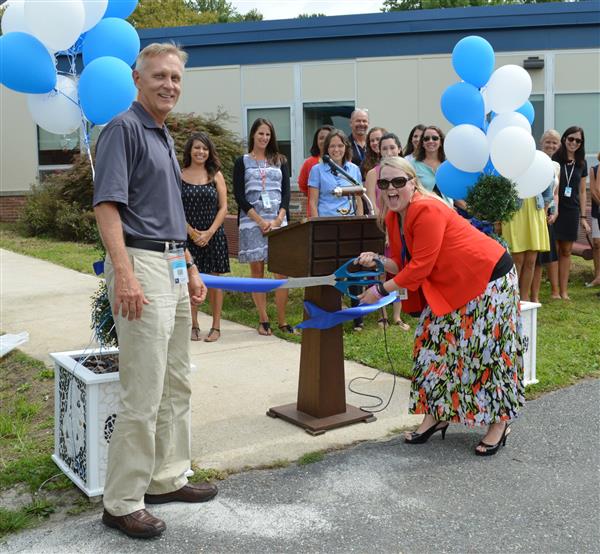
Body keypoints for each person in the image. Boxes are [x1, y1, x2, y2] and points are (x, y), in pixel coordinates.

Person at [93, 43, 217, 540]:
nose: (170, 84)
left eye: (176, 78)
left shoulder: (164, 134)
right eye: (160, 76)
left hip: (169, 262)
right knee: (143, 391)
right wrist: (122, 274)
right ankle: (121, 501)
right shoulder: (123, 129)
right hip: (139, 265)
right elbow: (107, 207)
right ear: (137, 79)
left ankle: (167, 477)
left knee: (176, 383)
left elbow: (166, 214)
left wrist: (189, 265)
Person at [357, 156, 524, 456]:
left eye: (398, 182)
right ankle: (436, 414)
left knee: (487, 352)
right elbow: (404, 264)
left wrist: (380, 289)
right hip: (452, 284)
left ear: (413, 182)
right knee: (432, 347)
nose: (391, 189)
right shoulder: (395, 216)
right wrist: (379, 259)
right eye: (384, 183)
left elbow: (419, 268)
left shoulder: (426, 208)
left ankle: (500, 423)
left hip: (488, 279)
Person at [233, 118, 294, 336]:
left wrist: (278, 219)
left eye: (268, 134)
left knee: (281, 272)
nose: (264, 138)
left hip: (278, 221)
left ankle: (282, 320)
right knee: (256, 271)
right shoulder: (242, 161)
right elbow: (239, 195)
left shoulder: (280, 160)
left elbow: (286, 193)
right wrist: (259, 220)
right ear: (253, 135)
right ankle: (263, 319)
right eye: (260, 134)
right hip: (252, 222)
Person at [308, 128, 364, 330]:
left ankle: (357, 316)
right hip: (328, 225)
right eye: (332, 146)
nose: (336, 149)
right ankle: (335, 312)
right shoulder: (317, 170)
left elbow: (359, 199)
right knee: (333, 270)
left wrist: (359, 221)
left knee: (354, 268)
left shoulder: (353, 169)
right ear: (326, 148)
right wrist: (317, 226)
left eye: (340, 145)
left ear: (345, 147)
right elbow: (313, 202)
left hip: (349, 225)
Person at [181, 132, 230, 342]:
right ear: (190, 151)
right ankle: (193, 324)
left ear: (209, 152)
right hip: (187, 237)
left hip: (213, 236)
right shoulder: (179, 174)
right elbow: (174, 208)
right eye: (197, 148)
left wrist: (209, 233)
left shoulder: (215, 175)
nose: (201, 152)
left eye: (204, 148)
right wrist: (191, 232)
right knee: (189, 281)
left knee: (216, 282)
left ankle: (216, 326)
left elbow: (224, 207)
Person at [364, 132, 409, 330]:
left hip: (401, 226)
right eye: (384, 148)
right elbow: (372, 204)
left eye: (392, 147)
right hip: (382, 226)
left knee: (401, 270)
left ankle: (397, 315)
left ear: (399, 148)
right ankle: (382, 314)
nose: (389, 151)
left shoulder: (405, 171)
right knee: (381, 271)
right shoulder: (374, 173)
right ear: (378, 151)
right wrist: (384, 230)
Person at [501, 145, 553, 301]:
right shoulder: (507, 167)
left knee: (531, 260)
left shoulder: (539, 165)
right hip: (514, 213)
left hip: (535, 212)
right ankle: (512, 298)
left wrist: (543, 212)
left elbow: (548, 192)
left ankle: (524, 298)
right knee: (516, 259)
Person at [552, 126, 590, 300]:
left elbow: (582, 191)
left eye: (578, 140)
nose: (574, 143)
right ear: (565, 139)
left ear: (581, 143)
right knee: (555, 248)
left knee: (566, 250)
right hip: (556, 209)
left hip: (572, 210)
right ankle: (554, 291)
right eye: (571, 139)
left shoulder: (582, 162)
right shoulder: (555, 159)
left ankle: (564, 291)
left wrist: (583, 216)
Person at [531, 129, 562, 301]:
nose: (551, 145)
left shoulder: (556, 166)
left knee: (541, 259)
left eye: (554, 142)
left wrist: (555, 211)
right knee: (532, 258)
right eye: (548, 142)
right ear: (541, 142)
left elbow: (555, 193)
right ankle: (526, 295)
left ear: (558, 146)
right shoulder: (534, 160)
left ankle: (535, 297)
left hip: (548, 216)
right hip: (535, 213)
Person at [410, 125, 452, 205]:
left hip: (448, 210)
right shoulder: (413, 165)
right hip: (425, 210)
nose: (430, 141)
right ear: (422, 143)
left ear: (440, 142)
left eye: (435, 138)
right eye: (426, 139)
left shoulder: (447, 165)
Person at [297, 124, 333, 217]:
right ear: (316, 141)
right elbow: (303, 186)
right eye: (321, 138)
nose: (324, 141)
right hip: (315, 212)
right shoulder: (309, 163)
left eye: (328, 137)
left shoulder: (341, 162)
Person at [586, 152, 600, 287]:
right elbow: (594, 191)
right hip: (598, 211)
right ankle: (598, 276)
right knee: (597, 243)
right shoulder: (594, 169)